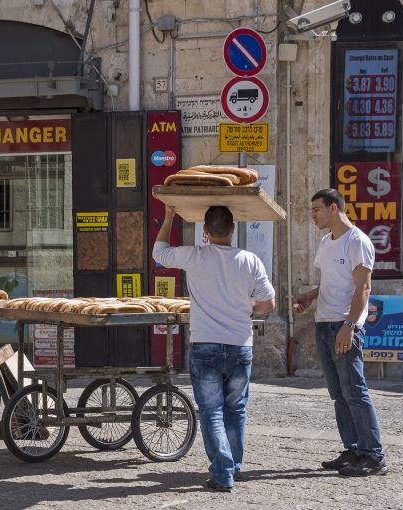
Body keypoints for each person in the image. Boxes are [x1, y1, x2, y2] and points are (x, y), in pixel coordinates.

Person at [153, 205, 275, 491]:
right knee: (236, 409)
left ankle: (222, 472)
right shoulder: (250, 260)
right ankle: (233, 466)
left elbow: (159, 251)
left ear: (205, 233)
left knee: (211, 411)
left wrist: (169, 216)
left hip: (205, 344)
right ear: (233, 229)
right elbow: (268, 304)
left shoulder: (194, 256)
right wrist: (248, 310)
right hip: (240, 344)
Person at [294, 189, 387, 476]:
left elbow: (363, 288)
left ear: (334, 208)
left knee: (355, 391)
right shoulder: (326, 242)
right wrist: (312, 295)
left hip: (344, 326)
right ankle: (354, 448)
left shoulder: (357, 241)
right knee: (339, 394)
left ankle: (373, 455)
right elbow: (333, 282)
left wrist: (349, 325)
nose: (312, 215)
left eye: (316, 209)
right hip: (324, 323)